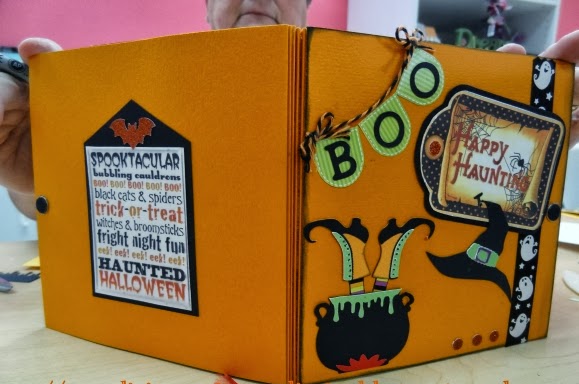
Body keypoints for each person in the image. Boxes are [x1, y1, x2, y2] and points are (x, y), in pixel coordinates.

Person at [0, 0, 578, 219]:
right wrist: (34, 177)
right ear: (207, 9)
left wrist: (522, 152)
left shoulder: (369, 94)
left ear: (305, 8)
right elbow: (52, 211)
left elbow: (414, 199)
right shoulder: (146, 87)